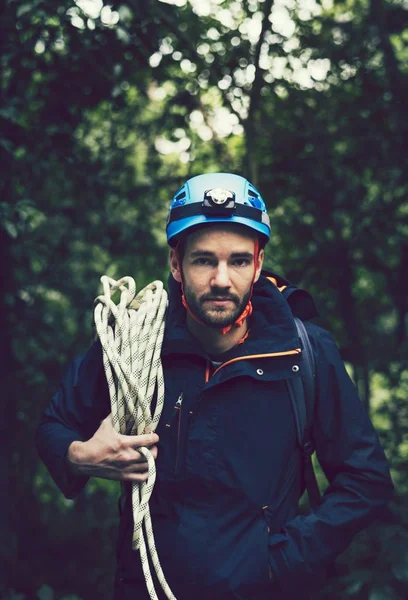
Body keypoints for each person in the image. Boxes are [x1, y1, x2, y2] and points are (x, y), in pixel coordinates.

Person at [36, 173, 393, 600]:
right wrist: (79, 457)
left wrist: (283, 560)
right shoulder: (131, 343)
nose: (221, 279)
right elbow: (54, 426)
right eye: (204, 260)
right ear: (176, 263)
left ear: (258, 264)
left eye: (239, 261)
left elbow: (365, 479)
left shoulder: (303, 354)